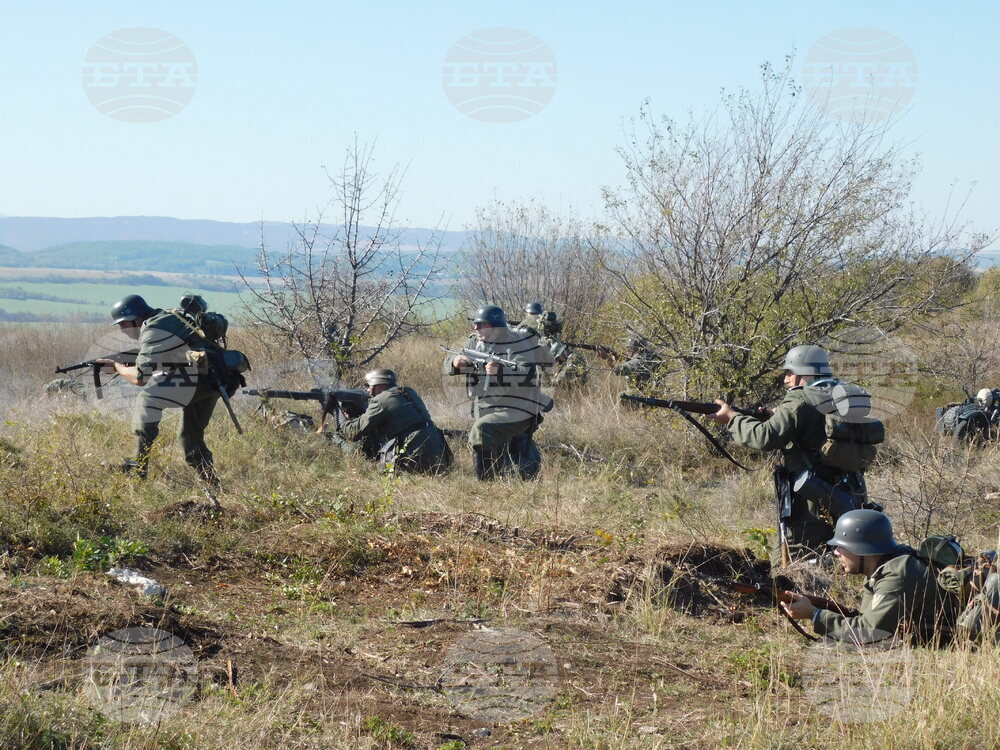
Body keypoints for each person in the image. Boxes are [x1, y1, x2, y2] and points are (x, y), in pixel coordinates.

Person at [708, 345, 865, 564]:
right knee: (833, 559)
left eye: (789, 373)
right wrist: (779, 415)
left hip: (808, 502)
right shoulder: (841, 394)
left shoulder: (799, 399)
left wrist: (732, 418)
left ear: (803, 373)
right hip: (847, 495)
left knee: (791, 565)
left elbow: (764, 438)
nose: (786, 380)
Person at [97, 294, 222, 492]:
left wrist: (117, 367)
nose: (122, 330)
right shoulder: (165, 318)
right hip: (215, 379)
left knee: (147, 400)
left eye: (123, 324)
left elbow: (140, 378)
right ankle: (215, 486)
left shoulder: (153, 328)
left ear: (136, 318)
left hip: (200, 380)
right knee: (189, 437)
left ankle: (138, 466)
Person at [781, 510, 957, 645]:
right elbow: (865, 620)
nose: (836, 552)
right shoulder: (881, 567)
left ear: (861, 549)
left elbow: (871, 633)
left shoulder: (897, 573)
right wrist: (820, 606)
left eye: (841, 547)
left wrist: (814, 614)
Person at [445, 304, 551, 480]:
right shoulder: (474, 342)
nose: (476, 328)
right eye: (475, 324)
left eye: (481, 324)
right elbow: (451, 358)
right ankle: (495, 479)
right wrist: (454, 362)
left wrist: (500, 370)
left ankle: (485, 482)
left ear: (495, 326)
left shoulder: (517, 343)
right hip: (485, 405)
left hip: (516, 408)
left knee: (486, 433)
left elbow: (526, 373)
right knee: (491, 446)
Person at [338, 368, 452, 474]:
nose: (368, 390)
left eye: (369, 385)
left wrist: (340, 415)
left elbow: (353, 433)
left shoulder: (381, 400)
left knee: (352, 452)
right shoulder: (409, 392)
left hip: (415, 458)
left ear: (380, 385)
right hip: (441, 456)